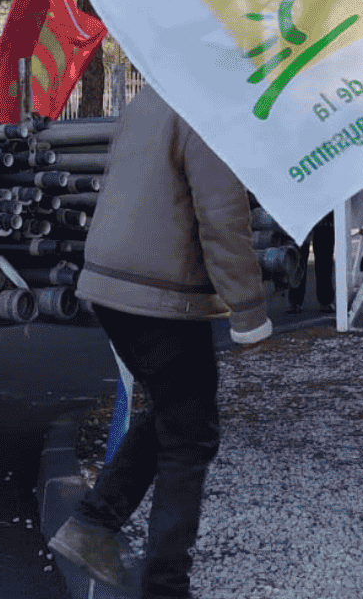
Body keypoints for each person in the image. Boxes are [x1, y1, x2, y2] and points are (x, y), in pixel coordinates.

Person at [50, 84, 272, 599]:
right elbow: (223, 219)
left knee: (178, 412)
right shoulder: (205, 105)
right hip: (161, 293)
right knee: (190, 438)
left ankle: (94, 525)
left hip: (114, 283)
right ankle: (162, 585)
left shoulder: (152, 96)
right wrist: (250, 311)